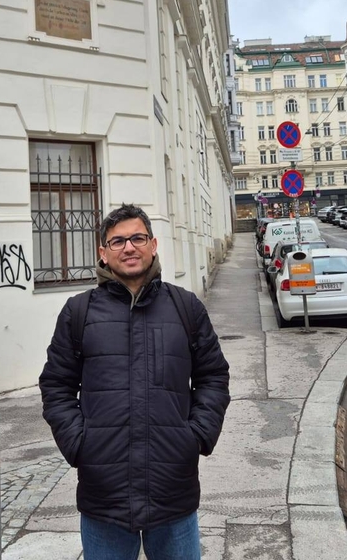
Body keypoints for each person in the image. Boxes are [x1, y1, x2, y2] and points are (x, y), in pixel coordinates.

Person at [40, 204, 230, 560]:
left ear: (153, 245)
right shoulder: (78, 312)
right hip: (104, 494)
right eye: (118, 241)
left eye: (138, 238)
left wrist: (196, 436)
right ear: (103, 252)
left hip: (173, 489)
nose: (129, 247)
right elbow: (56, 385)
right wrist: (79, 444)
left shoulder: (186, 307)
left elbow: (213, 376)